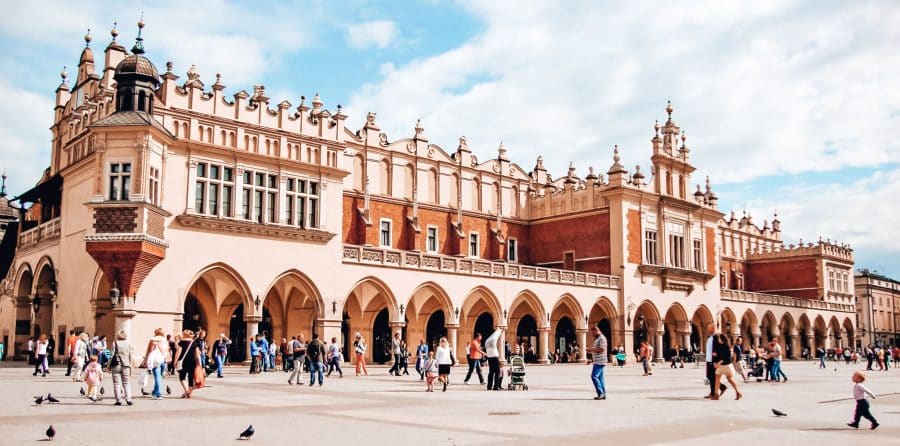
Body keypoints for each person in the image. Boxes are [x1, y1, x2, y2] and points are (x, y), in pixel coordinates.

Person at [712, 334, 742, 400]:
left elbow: (724, 357)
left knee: (717, 379)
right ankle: (738, 392)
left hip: (723, 366)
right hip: (728, 366)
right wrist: (715, 362)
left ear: (722, 339)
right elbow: (716, 356)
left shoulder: (720, 347)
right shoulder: (727, 347)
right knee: (730, 379)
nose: (718, 339)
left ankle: (716, 394)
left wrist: (717, 363)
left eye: (719, 338)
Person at [109, 330, 134, 406]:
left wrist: (108, 366)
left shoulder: (115, 343)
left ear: (118, 336)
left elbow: (111, 355)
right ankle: (128, 399)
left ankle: (118, 400)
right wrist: (131, 367)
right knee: (126, 383)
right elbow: (131, 356)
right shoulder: (128, 344)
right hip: (126, 365)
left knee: (116, 383)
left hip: (116, 364)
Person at [174, 330, 201, 399]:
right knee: (190, 377)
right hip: (192, 361)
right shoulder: (195, 343)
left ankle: (186, 391)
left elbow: (178, 352)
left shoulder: (181, 342)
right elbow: (197, 355)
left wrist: (175, 361)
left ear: (184, 335)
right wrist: (199, 364)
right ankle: (189, 392)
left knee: (182, 377)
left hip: (183, 362)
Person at [142, 329, 168, 399]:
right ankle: (155, 391)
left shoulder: (153, 340)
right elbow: (167, 350)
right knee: (159, 376)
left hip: (156, 360)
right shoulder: (165, 340)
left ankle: (158, 393)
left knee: (157, 377)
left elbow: (149, 351)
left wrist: (146, 359)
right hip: (163, 360)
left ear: (156, 332)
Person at [704, 323, 727, 399]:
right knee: (709, 376)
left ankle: (719, 389)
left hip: (713, 360)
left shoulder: (716, 337)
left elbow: (719, 348)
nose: (708, 329)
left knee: (712, 376)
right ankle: (713, 391)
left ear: (713, 328)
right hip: (708, 360)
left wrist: (716, 360)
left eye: (709, 328)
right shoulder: (710, 337)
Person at [586, 324, 607, 400]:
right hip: (597, 361)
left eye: (593, 333)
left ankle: (600, 393)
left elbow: (602, 349)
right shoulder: (598, 338)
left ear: (596, 331)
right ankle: (603, 394)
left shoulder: (602, 338)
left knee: (594, 376)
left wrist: (590, 350)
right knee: (600, 378)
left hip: (600, 361)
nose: (592, 334)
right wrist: (592, 360)